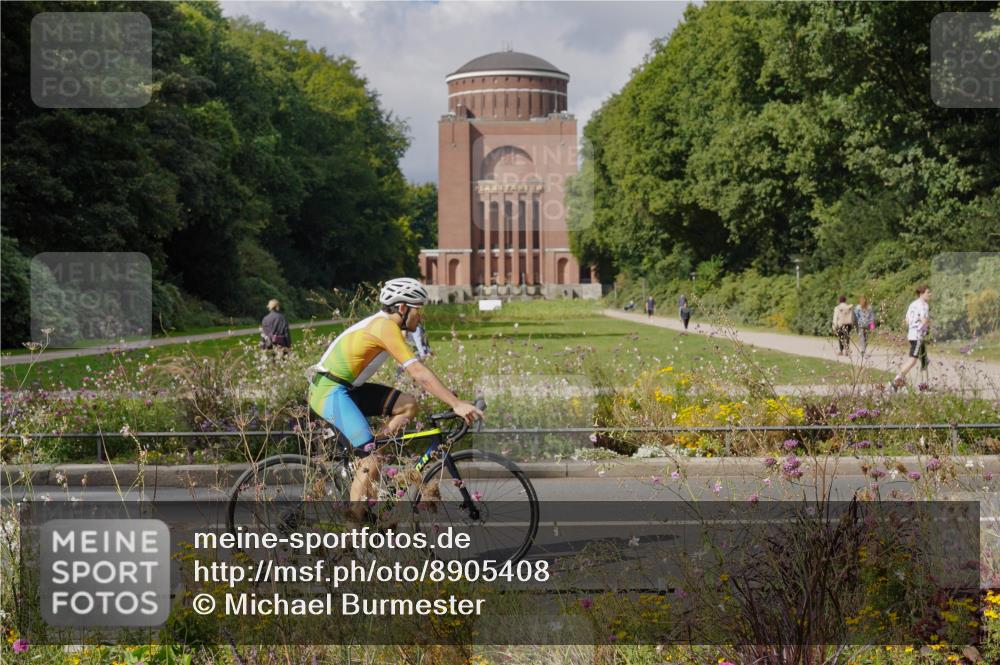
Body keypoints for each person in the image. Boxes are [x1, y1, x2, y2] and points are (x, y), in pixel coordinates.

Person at [308, 277, 483, 514]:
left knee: (408, 405)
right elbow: (418, 372)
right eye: (418, 310)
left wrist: (449, 396)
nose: (421, 317)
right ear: (402, 308)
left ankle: (369, 457)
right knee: (371, 461)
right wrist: (456, 404)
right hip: (329, 392)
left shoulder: (386, 326)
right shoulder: (385, 327)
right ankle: (351, 534)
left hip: (348, 387)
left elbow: (418, 372)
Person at [893, 285, 931, 390]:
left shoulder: (912, 304)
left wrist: (914, 327)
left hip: (912, 335)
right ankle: (896, 380)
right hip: (918, 336)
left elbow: (907, 320)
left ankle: (924, 385)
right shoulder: (924, 305)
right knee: (913, 360)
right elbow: (924, 321)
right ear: (921, 294)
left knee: (924, 360)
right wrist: (923, 328)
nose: (930, 294)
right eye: (928, 292)